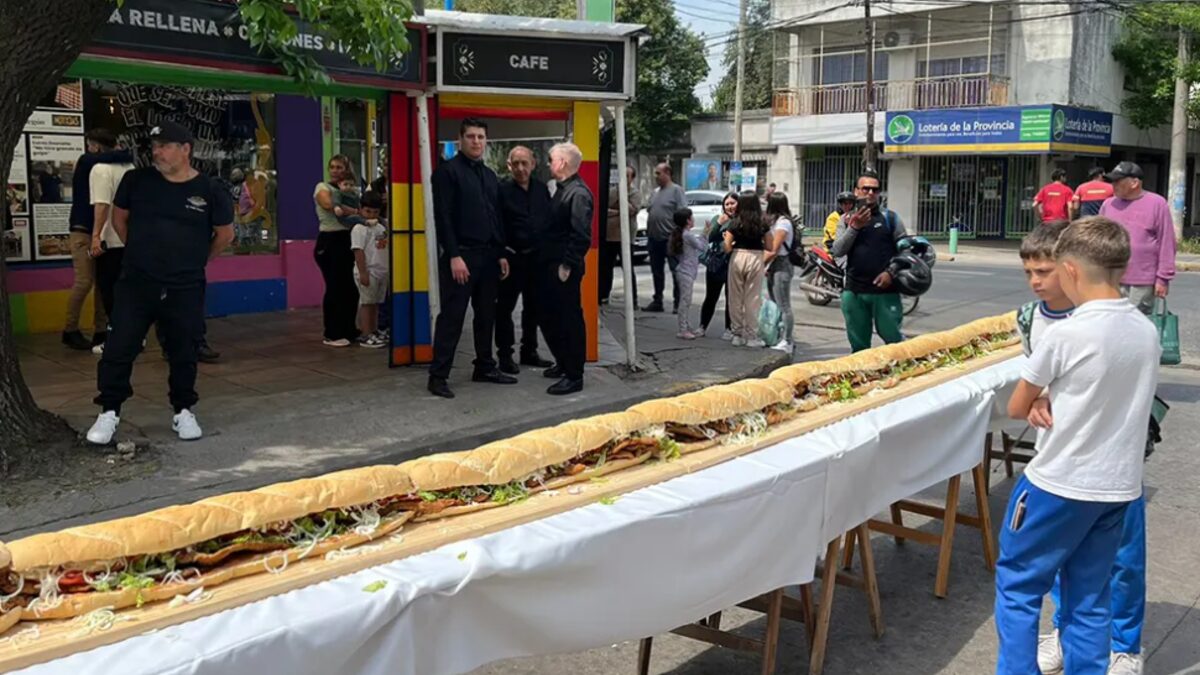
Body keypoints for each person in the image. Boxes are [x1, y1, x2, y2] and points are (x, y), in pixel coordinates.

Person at [999, 215, 1160, 675]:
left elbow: (1017, 405)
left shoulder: (1067, 332)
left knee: (1019, 588)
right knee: (1090, 597)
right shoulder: (1144, 330)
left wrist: (1042, 396)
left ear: (1069, 269)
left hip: (1057, 483)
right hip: (1117, 487)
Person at [86, 121, 235, 445]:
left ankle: (183, 410)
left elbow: (225, 235)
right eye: (154, 147)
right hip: (137, 281)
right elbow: (119, 219)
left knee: (184, 349)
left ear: (186, 149)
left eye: (165, 146)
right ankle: (109, 411)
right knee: (119, 346)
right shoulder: (136, 181)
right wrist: (141, 252)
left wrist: (196, 260)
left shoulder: (210, 190)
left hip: (185, 286)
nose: (157, 152)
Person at [427, 118, 515, 399]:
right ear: (460, 139)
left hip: (489, 256)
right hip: (461, 255)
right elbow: (444, 217)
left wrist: (501, 252)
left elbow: (495, 217)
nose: (476, 141)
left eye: (480, 137)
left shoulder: (490, 175)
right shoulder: (447, 172)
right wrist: (453, 255)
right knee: (452, 317)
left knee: (486, 315)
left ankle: (485, 367)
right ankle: (438, 376)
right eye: (471, 137)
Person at [63, 129, 132, 352]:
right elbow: (114, 157)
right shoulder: (88, 163)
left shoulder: (95, 163)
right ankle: (70, 329)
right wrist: (123, 154)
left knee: (103, 283)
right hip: (84, 230)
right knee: (85, 281)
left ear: (94, 145)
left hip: (93, 230)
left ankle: (101, 329)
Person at [830, 171, 908, 353]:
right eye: (866, 188)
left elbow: (905, 250)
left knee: (893, 340)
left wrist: (891, 272)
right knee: (859, 347)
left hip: (886, 291)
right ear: (856, 191)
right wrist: (854, 227)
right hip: (854, 291)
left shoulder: (890, 218)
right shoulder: (846, 219)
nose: (870, 193)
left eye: (875, 189)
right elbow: (838, 250)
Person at [538, 143, 593, 396]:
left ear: (562, 163)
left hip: (564, 267)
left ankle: (574, 375)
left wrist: (567, 264)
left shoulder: (578, 193)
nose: (548, 164)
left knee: (569, 319)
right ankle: (563, 362)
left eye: (551, 160)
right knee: (551, 317)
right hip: (551, 264)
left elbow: (581, 235)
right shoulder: (563, 190)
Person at [496, 146, 554, 375]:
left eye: (525, 163)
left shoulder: (541, 189)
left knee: (534, 308)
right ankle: (504, 355)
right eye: (516, 163)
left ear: (533, 163)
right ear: (509, 166)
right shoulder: (501, 191)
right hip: (511, 259)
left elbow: (548, 221)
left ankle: (529, 350)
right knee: (504, 309)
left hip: (537, 259)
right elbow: (496, 225)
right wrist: (500, 253)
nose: (521, 168)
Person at [1099, 161, 1176, 315]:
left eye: (1118, 181)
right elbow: (1098, 239)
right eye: (1112, 181)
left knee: (1138, 323)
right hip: (1111, 278)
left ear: (1134, 183)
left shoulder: (1157, 204)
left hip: (1142, 281)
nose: (1113, 185)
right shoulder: (1108, 204)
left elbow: (1166, 242)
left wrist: (1163, 278)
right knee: (1111, 322)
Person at [87, 141, 136, 357]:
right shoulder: (130, 169)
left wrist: (96, 236)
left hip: (109, 239)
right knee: (128, 293)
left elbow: (102, 204)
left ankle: (116, 340)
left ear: (97, 148)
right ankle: (135, 337)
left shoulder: (100, 170)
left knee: (110, 293)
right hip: (129, 239)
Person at [314, 155, 362, 347]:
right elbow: (328, 204)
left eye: (339, 167)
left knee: (350, 289)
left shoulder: (350, 189)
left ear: (346, 170)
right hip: (329, 240)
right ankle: (332, 333)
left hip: (347, 239)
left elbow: (362, 206)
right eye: (332, 167)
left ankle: (349, 328)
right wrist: (352, 211)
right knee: (334, 287)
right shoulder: (323, 187)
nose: (335, 170)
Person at [722, 192, 770, 348]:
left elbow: (727, 247)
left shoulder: (735, 223)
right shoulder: (762, 223)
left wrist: (735, 244)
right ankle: (751, 336)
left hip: (737, 257)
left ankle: (737, 334)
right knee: (753, 298)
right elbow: (770, 246)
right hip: (756, 258)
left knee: (735, 298)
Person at [645, 162, 686, 313]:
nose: (656, 177)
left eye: (658, 173)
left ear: (667, 173)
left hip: (670, 238)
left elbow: (683, 213)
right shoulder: (655, 192)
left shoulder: (676, 190)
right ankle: (658, 301)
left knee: (676, 271)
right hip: (654, 238)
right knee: (656, 271)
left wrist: (679, 234)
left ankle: (678, 303)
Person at [350, 191, 388, 349]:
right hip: (368, 272)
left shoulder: (380, 227)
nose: (371, 215)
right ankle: (366, 334)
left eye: (375, 212)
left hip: (380, 271)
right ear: (360, 209)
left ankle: (373, 330)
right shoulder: (359, 229)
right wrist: (363, 272)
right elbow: (358, 251)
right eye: (368, 211)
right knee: (367, 303)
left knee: (375, 303)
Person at [699, 192, 737, 339]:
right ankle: (702, 326)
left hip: (731, 263)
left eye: (732, 203)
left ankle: (729, 328)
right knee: (710, 297)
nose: (729, 206)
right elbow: (710, 236)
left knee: (730, 298)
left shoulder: (740, 221)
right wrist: (719, 224)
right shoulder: (718, 219)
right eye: (727, 204)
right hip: (715, 263)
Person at [600, 165, 639, 307]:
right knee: (606, 268)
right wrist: (618, 208)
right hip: (610, 236)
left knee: (628, 268)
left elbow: (631, 210)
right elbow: (604, 208)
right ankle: (603, 295)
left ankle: (633, 299)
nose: (624, 178)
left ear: (632, 178)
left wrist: (619, 207)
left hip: (626, 237)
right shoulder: (612, 191)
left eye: (627, 176)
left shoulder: (634, 193)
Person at [763, 192, 797, 353]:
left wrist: (761, 264)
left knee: (784, 305)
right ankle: (779, 336)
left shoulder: (783, 223)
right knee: (776, 303)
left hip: (782, 265)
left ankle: (788, 341)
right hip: (774, 265)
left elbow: (774, 249)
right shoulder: (776, 222)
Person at [668, 208, 706, 339]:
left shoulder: (683, 234)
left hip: (685, 271)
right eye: (692, 217)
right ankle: (683, 329)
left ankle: (685, 325)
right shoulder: (688, 235)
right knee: (685, 301)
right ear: (687, 221)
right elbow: (701, 246)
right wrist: (705, 233)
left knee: (686, 300)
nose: (693, 219)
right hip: (686, 272)